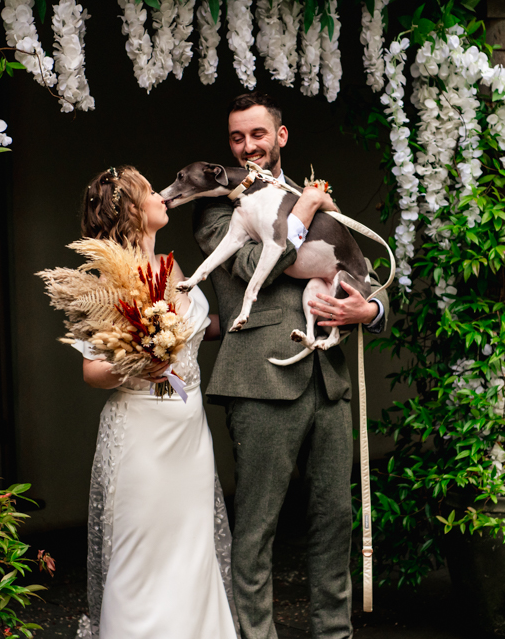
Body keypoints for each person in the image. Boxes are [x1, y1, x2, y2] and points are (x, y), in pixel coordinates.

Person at [193, 92, 389, 639]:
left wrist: (366, 308)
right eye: (237, 138)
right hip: (260, 382)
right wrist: (302, 216)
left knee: (335, 522)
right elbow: (258, 262)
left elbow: (364, 270)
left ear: (281, 137)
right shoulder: (218, 208)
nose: (248, 146)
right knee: (257, 529)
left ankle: (335, 634)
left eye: (258, 134)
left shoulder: (312, 201)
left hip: (330, 385)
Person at [74, 166, 237, 639]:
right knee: (142, 560)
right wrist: (140, 359)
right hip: (143, 436)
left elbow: (203, 327)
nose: (162, 195)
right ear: (130, 210)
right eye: (150, 191)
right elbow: (91, 371)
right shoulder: (105, 281)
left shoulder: (170, 264)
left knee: (192, 555)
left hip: (189, 434)